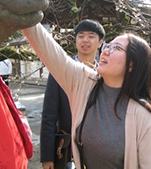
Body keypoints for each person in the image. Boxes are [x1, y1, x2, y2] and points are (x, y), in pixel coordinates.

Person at [24, 23, 151, 168]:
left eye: (117, 48)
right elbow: (47, 48)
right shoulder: (85, 82)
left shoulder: (144, 116)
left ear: (132, 65)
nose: (106, 51)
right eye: (108, 46)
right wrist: (26, 13)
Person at [40, 19, 105, 169]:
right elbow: (49, 115)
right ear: (75, 40)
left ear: (100, 42)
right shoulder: (60, 71)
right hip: (67, 149)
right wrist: (47, 156)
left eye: (91, 36)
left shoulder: (104, 75)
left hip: (98, 149)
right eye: (81, 36)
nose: (85, 40)